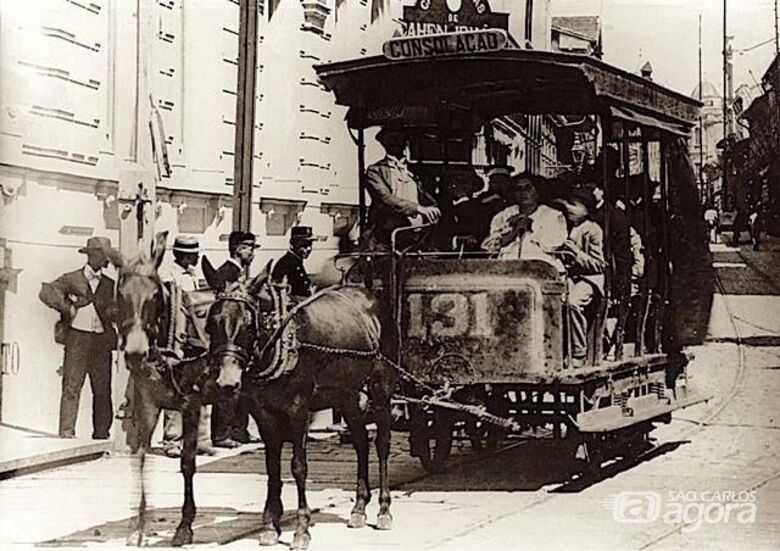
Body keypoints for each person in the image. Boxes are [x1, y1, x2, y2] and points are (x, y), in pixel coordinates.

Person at [39, 236, 119, 439]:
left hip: (101, 342)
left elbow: (116, 311)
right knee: (72, 387)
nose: (106, 261)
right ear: (93, 255)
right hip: (77, 340)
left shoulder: (110, 284)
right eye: (104, 256)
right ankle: (66, 433)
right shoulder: (71, 278)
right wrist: (67, 307)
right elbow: (46, 292)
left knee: (102, 390)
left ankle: (101, 435)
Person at [158, 236, 213, 457]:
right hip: (178, 338)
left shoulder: (194, 274)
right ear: (181, 255)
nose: (197, 257)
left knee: (202, 387)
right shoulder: (168, 275)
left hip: (199, 338)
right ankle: (172, 440)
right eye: (193, 254)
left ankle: (201, 438)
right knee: (176, 387)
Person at [207, 230, 261, 448]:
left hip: (239, 338)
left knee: (242, 385)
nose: (253, 253)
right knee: (226, 384)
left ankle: (239, 430)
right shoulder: (228, 272)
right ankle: (222, 434)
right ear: (239, 249)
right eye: (250, 248)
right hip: (228, 340)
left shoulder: (237, 271)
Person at [363, 127, 441, 250]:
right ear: (384, 143)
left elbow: (426, 196)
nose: (396, 143)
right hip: (389, 235)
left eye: (399, 138)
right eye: (391, 139)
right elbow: (385, 199)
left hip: (418, 233)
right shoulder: (375, 171)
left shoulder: (415, 171)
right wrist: (418, 208)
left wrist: (434, 208)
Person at [559, 190, 606, 367]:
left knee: (573, 303)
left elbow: (598, 265)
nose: (569, 209)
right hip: (568, 276)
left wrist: (575, 253)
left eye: (575, 205)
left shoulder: (593, 230)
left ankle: (578, 352)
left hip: (589, 279)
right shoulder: (563, 225)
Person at [272, 226, 315, 299]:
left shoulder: (296, 262)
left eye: (310, 244)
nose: (308, 249)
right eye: (303, 245)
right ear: (292, 244)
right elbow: (279, 293)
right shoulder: (285, 263)